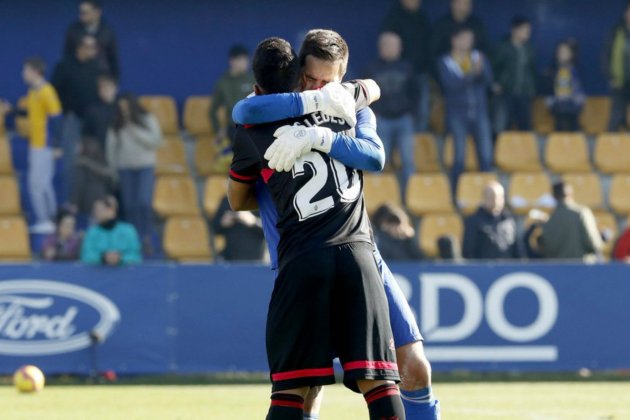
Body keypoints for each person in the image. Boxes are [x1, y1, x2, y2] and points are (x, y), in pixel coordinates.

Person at [232, 31, 439, 419]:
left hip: (359, 251)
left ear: (342, 77)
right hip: (296, 253)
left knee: (413, 369)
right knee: (306, 387)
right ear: (298, 72)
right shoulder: (270, 108)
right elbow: (243, 113)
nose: (318, 86)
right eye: (310, 78)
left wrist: (320, 135)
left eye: (328, 81)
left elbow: (374, 154)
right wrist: (316, 103)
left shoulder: (346, 103)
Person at [0, 57, 62, 234]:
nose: (23, 74)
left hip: (44, 144)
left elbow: (56, 118)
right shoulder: (33, 92)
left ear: (35, 72)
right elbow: (32, 113)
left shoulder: (46, 91)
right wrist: (12, 110)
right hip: (35, 143)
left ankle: (47, 220)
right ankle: (50, 219)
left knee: (38, 184)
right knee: (41, 184)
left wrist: (56, 145)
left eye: (25, 70)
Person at [438, 25, 493, 193]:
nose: (467, 42)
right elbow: (450, 85)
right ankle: (457, 195)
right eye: (463, 38)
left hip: (479, 113)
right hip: (457, 115)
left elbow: (488, 81)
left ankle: (488, 194)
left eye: (470, 38)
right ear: (454, 40)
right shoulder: (446, 61)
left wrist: (480, 72)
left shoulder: (478, 57)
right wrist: (472, 75)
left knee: (485, 156)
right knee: (459, 158)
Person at [106, 93, 163, 250]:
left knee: (144, 202)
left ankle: (147, 236)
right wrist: (113, 170)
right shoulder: (116, 124)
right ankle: (133, 239)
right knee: (130, 205)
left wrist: (135, 132)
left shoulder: (147, 119)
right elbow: (111, 149)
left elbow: (156, 141)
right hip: (125, 168)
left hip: (145, 166)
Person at [365, 32, 418, 199]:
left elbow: (416, 92)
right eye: (387, 45)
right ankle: (376, 198)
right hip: (382, 120)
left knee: (408, 162)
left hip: (404, 119)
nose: (392, 49)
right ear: (381, 48)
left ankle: (410, 198)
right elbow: (364, 95)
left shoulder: (407, 67)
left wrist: (412, 112)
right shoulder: (371, 68)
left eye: (395, 45)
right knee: (378, 161)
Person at [53, 35, 104, 203]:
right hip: (72, 120)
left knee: (94, 164)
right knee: (70, 164)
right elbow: (53, 92)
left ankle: (93, 205)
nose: (94, 51)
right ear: (80, 48)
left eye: (95, 48)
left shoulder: (97, 68)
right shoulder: (65, 66)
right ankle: (70, 204)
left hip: (94, 123)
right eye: (90, 47)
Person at [381, 0, 432, 132]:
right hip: (400, 74)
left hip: (421, 71)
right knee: (400, 111)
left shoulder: (422, 18)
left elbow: (429, 46)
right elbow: (388, 47)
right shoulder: (393, 18)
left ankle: (419, 144)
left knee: (422, 110)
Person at [492, 16, 536, 133]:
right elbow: (494, 67)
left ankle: (524, 150)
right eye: (524, 30)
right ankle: (501, 149)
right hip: (506, 92)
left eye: (529, 31)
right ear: (514, 30)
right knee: (502, 125)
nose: (527, 33)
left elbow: (532, 70)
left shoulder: (529, 48)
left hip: (524, 93)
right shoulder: (503, 47)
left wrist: (531, 89)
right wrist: (496, 83)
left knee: (525, 125)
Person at [539, 182, 603, 261]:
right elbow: (593, 244)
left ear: (554, 196)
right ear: (570, 194)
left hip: (558, 269)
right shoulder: (581, 213)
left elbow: (546, 248)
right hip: (582, 267)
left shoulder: (549, 219)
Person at [462, 181, 522, 260]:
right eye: (491, 197)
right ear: (484, 198)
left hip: (508, 269)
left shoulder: (509, 221)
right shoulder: (473, 221)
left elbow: (517, 251)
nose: (495, 200)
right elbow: (468, 251)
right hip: (483, 269)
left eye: (499, 197)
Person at [209, 45, 256, 145]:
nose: (246, 63)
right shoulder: (223, 83)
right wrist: (218, 130)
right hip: (235, 128)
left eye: (246, 60)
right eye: (242, 60)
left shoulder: (253, 80)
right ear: (232, 61)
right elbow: (212, 110)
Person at [63, 0, 119, 78]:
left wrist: (114, 80)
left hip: (101, 79)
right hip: (79, 77)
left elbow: (113, 60)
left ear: (97, 12)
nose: (81, 16)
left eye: (85, 12)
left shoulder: (107, 32)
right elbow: (67, 56)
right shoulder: (73, 31)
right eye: (80, 12)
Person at [81, 195, 142, 265]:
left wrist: (120, 258)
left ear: (111, 211)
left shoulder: (129, 231)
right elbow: (86, 256)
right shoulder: (91, 233)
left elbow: (136, 256)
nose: (96, 213)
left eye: (100, 210)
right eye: (95, 210)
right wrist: (103, 258)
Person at [545, 40, 585, 131]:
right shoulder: (552, 70)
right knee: (562, 123)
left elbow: (579, 90)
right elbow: (548, 91)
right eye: (560, 52)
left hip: (573, 105)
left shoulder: (576, 69)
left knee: (573, 126)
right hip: (558, 106)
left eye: (565, 51)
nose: (562, 54)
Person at [211, 196, 265, 261]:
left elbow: (271, 231)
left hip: (255, 259)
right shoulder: (227, 200)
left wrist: (253, 221)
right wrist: (222, 223)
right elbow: (214, 228)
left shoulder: (262, 202)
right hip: (230, 259)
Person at [605, 2, 630, 131]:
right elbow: (605, 56)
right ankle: (610, 147)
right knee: (616, 115)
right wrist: (610, 77)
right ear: (626, 13)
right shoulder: (616, 32)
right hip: (619, 82)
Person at [84, 74, 118, 147]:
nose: (104, 90)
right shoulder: (92, 109)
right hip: (99, 152)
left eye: (107, 87)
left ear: (115, 88)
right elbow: (86, 133)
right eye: (101, 88)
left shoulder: (122, 107)